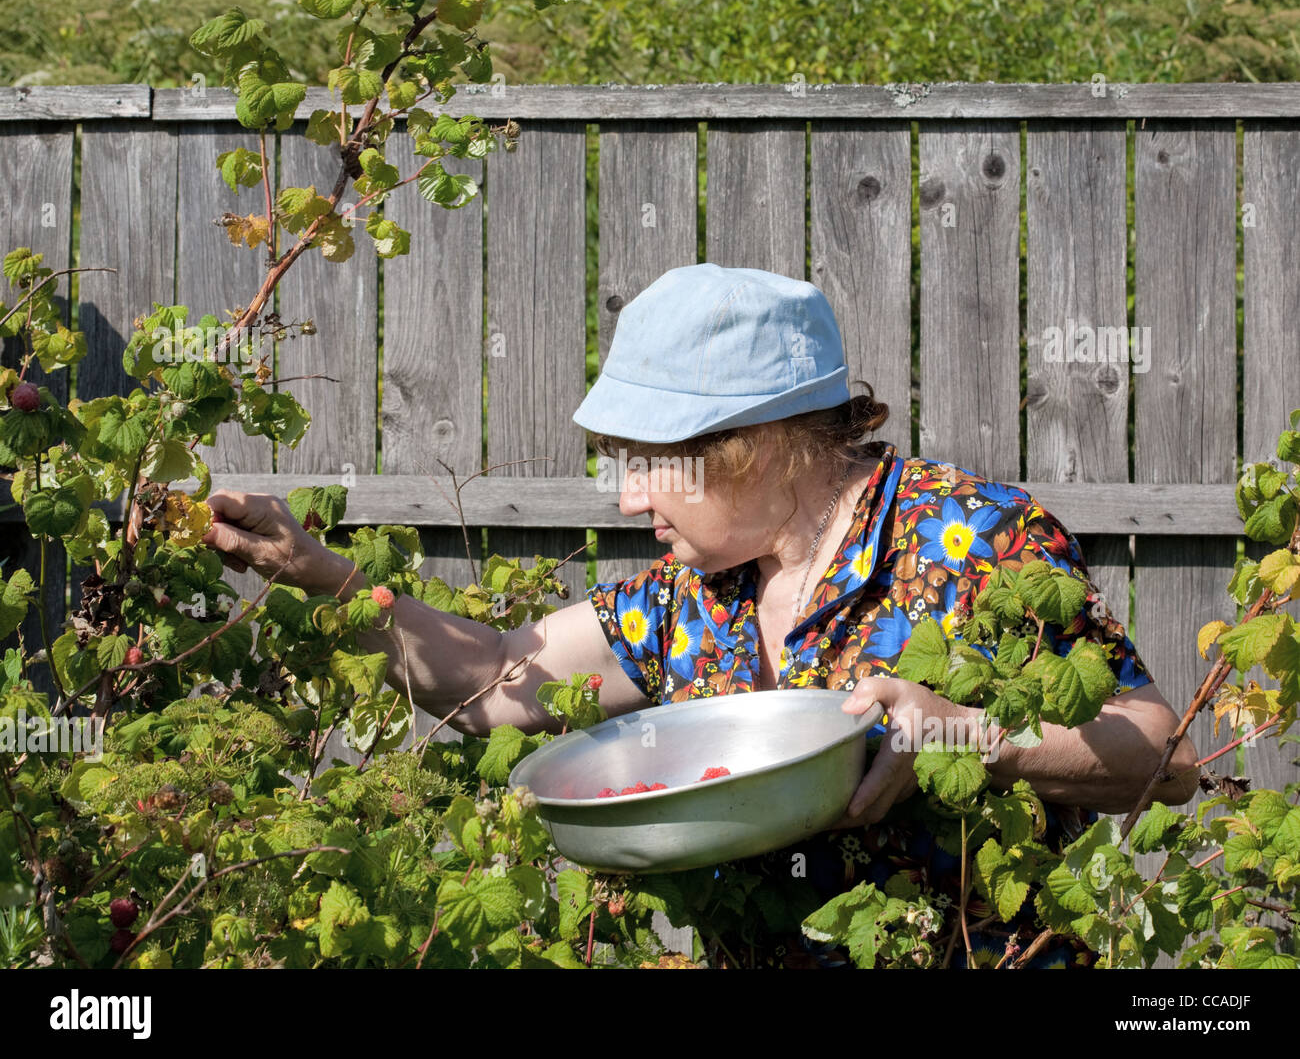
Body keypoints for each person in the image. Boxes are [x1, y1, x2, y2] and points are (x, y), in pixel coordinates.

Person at [200, 263, 1200, 968]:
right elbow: (501, 685)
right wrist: (317, 572)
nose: (631, 500)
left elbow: (1163, 758)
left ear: (754, 447)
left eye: (653, 465)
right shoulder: (696, 592)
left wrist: (967, 735)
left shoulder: (970, 539)